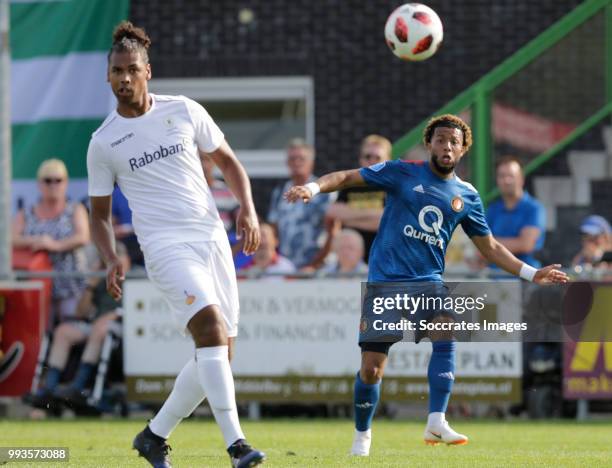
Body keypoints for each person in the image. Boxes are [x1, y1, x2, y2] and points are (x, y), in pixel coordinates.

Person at [284, 114, 569, 456]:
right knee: (372, 369)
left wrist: (530, 273)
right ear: (429, 144)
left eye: (454, 141)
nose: (446, 145)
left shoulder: (467, 196)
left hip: (427, 284)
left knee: (446, 329)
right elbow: (347, 177)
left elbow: (490, 247)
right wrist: (313, 188)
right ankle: (362, 436)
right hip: (386, 284)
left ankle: (436, 420)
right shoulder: (403, 171)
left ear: (462, 150)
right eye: (440, 139)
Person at [86, 22, 265, 468]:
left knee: (219, 354)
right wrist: (110, 257)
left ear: (148, 70)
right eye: (116, 72)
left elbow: (228, 162)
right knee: (210, 331)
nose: (124, 78)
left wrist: (247, 207)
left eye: (131, 69)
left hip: (211, 239)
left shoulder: (183, 110)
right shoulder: (103, 142)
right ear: (108, 77)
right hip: (165, 248)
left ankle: (153, 435)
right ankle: (237, 445)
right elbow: (100, 216)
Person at [23, 243, 130, 410]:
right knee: (63, 331)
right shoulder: (101, 280)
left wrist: (116, 314)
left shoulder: (135, 279)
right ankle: (50, 388)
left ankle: (77, 387)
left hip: (123, 328)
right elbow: (81, 312)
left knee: (100, 327)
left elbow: (139, 308)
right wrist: (91, 285)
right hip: (95, 325)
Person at [12, 159, 90, 327]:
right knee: (38, 329)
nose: (53, 185)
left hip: (70, 283)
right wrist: (34, 241)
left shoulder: (75, 209)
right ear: (39, 184)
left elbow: (83, 237)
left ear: (66, 183)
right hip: (37, 285)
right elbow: (10, 239)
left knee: (69, 327)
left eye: (58, 180)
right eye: (48, 180)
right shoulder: (26, 213)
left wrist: (54, 245)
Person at [267, 138, 336, 270]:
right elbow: (273, 230)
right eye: (292, 159)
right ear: (287, 163)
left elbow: (333, 232)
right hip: (286, 268)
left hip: (318, 269)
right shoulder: (279, 192)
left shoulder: (323, 190)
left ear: (311, 162)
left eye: (301, 158)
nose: (296, 162)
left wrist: (314, 265)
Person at [326, 135, 391, 262]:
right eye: (368, 157)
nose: (372, 161)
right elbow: (333, 212)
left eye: (377, 157)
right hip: (350, 261)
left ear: (387, 160)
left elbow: (390, 221)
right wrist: (376, 216)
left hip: (383, 260)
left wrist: (349, 219)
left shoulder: (393, 187)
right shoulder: (350, 184)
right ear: (360, 159)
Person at [486, 157, 546, 268]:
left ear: (521, 179)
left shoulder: (534, 208)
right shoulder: (492, 209)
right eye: (502, 176)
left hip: (526, 279)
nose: (506, 180)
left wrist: (491, 245)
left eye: (511, 176)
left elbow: (526, 245)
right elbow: (481, 246)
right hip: (493, 278)